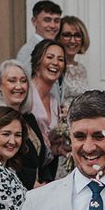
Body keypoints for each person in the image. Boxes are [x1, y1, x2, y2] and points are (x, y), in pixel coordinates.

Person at [0, 59, 47, 189]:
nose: (19, 86)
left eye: (23, 81)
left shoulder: (29, 117)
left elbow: (38, 157)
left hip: (36, 190)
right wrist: (32, 183)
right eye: (12, 80)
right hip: (7, 189)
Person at [30, 39, 66, 183]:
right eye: (49, 57)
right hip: (28, 176)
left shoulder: (54, 102)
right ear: (38, 61)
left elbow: (48, 144)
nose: (55, 63)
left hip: (45, 174)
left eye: (61, 59)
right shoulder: (26, 95)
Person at [16, 0, 62, 72]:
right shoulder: (27, 51)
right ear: (34, 21)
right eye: (47, 20)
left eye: (56, 21)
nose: (53, 25)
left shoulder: (57, 48)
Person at [58, 15, 90, 116]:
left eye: (77, 35)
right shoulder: (54, 67)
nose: (72, 40)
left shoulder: (81, 68)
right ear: (58, 38)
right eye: (67, 35)